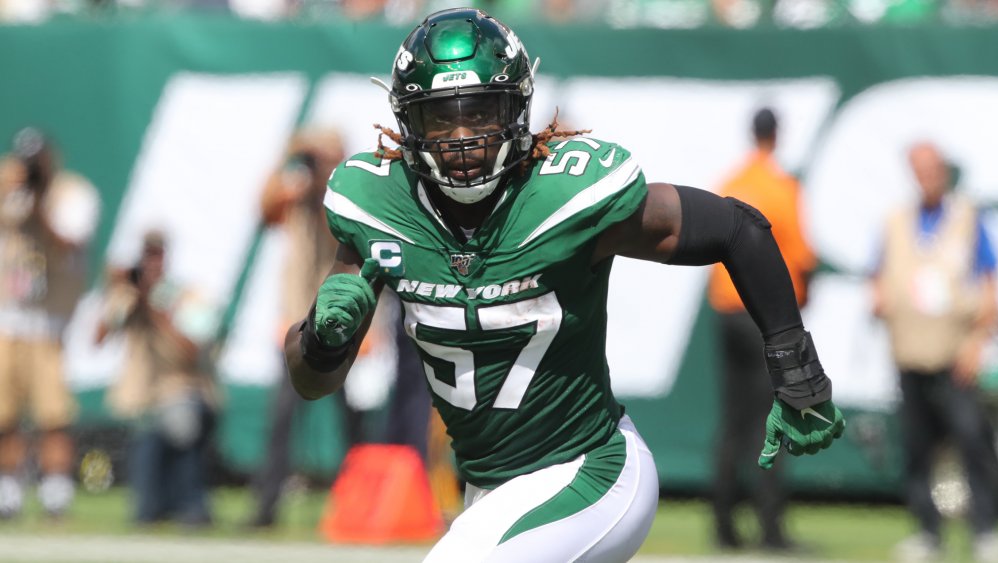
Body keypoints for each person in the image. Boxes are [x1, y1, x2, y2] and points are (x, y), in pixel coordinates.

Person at [284, 8, 846, 561]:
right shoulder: (377, 207)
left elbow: (736, 228)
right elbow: (312, 381)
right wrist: (322, 338)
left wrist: (796, 368)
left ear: (516, 110)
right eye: (440, 119)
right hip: (491, 492)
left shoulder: (564, 195)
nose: (462, 140)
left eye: (480, 114)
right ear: (408, 125)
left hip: (591, 468)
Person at [248, 128, 434, 528]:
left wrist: (319, 181)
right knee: (282, 416)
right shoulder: (295, 192)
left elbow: (335, 224)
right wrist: (290, 157)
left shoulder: (344, 198)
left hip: (346, 318)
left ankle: (364, 499)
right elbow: (264, 211)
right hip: (300, 320)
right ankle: (266, 505)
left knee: (353, 419)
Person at [874, 141, 998, 562]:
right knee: (916, 446)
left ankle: (985, 530)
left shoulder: (966, 217)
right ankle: (928, 532)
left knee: (971, 441)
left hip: (954, 353)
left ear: (944, 171)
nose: (927, 176)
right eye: (919, 169)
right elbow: (879, 276)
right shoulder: (897, 220)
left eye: (933, 169)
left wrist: (978, 343)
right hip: (910, 352)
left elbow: (988, 283)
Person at [707, 107, 815, 552]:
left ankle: (723, 526)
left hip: (727, 312)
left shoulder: (732, 181)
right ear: (778, 135)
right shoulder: (780, 185)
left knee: (733, 423)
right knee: (777, 418)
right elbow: (802, 257)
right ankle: (771, 529)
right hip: (764, 319)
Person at [0, 128, 100, 519]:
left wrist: (39, 202)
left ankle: (55, 491)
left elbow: (69, 242)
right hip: (8, 316)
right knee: (4, 412)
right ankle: (7, 488)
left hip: (49, 320)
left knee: (52, 412)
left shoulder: (72, 194)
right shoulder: (8, 185)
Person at [95, 230, 218, 527]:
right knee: (145, 510)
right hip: (143, 396)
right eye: (147, 256)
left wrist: (159, 310)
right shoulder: (129, 297)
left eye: (157, 255)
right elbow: (98, 338)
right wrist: (116, 291)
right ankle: (154, 507)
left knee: (181, 426)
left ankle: (192, 506)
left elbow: (194, 349)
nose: (151, 263)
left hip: (182, 388)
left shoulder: (186, 294)